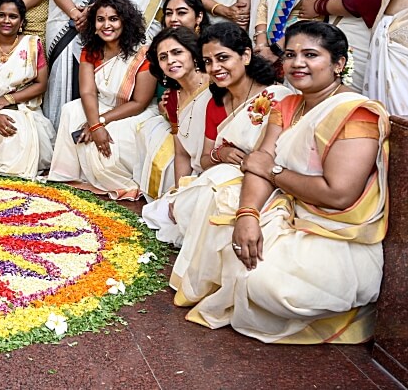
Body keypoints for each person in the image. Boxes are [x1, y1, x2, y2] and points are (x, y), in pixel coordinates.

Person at [173, 21, 388, 344]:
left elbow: (339, 195)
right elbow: (258, 164)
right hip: (290, 210)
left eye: (310, 54)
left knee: (265, 285)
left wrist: (274, 173)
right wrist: (247, 215)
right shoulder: (288, 105)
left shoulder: (355, 114)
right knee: (233, 241)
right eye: (290, 54)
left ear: (339, 63)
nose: (297, 62)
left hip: (334, 231)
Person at [159, 22, 291, 249]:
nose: (215, 67)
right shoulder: (216, 103)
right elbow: (204, 160)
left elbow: (280, 159)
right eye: (208, 62)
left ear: (246, 56)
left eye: (223, 58)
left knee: (203, 202)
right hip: (223, 179)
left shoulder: (276, 97)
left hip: (265, 185)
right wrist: (223, 153)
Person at [48, 0, 157, 200]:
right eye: (100, 19)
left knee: (104, 149)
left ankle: (120, 183)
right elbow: (87, 92)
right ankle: (69, 175)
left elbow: (139, 103)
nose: (107, 25)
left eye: (113, 19)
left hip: (134, 113)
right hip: (103, 106)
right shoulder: (91, 50)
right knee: (70, 110)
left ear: (125, 21)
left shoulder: (143, 54)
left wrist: (99, 124)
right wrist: (95, 124)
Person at [0, 0, 55, 179]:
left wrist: (9, 99)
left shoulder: (32, 44)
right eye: (2, 15)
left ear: (22, 21)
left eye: (13, 16)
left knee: (20, 128)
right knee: (8, 127)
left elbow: (41, 84)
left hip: (24, 105)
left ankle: (11, 176)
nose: (6, 20)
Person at [138, 27, 211, 201]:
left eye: (177, 52)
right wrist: (180, 190)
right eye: (163, 57)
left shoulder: (216, 84)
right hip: (196, 169)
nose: (170, 60)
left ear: (193, 54)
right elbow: (182, 153)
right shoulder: (172, 98)